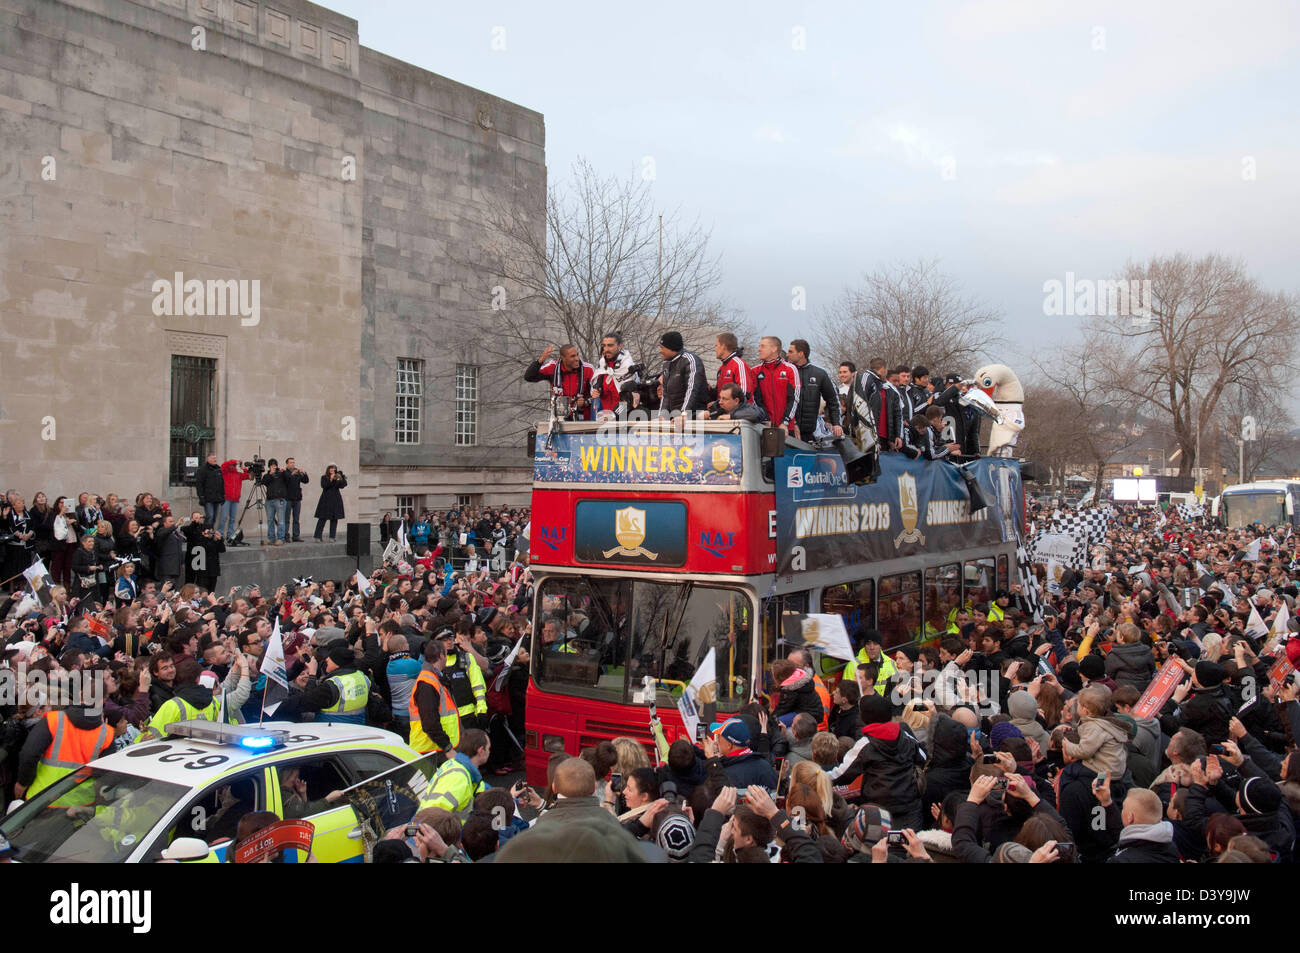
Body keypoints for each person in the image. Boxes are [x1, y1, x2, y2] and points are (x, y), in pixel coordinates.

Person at [14, 703, 115, 802]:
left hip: (43, 798)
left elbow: (30, 754)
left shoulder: (53, 720)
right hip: (80, 802)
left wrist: (23, 783)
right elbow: (106, 773)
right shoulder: (107, 733)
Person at [418, 729, 491, 814]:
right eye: (489, 748)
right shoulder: (459, 778)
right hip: (438, 824)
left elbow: (480, 786)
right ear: (481, 751)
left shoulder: (454, 764)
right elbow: (433, 816)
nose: (489, 752)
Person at [409, 640, 459, 763]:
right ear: (441, 655)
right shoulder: (428, 682)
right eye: (446, 654)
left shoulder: (434, 678)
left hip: (434, 748)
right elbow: (429, 722)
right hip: (431, 751)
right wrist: (447, 747)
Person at [786, 339, 842, 442]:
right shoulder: (784, 372)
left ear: (801, 354)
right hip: (787, 430)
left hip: (809, 433)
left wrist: (836, 423)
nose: (787, 354)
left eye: (790, 352)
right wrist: (790, 423)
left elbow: (833, 400)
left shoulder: (819, 374)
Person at [524, 344, 596, 420]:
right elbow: (529, 377)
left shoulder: (588, 369)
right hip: (560, 419)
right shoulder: (553, 367)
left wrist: (585, 401)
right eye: (572, 356)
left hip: (584, 419)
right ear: (563, 358)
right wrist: (540, 360)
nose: (577, 358)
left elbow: (598, 394)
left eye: (577, 355)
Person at [750, 335, 800, 434]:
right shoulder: (754, 371)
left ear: (774, 349)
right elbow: (755, 399)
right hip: (763, 427)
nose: (759, 349)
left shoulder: (790, 369)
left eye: (762, 346)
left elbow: (794, 398)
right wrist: (765, 419)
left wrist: (785, 422)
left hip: (786, 428)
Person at [656, 331, 708, 418]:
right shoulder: (666, 363)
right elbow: (666, 394)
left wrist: (684, 414)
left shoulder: (690, 360)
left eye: (662, 348)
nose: (660, 351)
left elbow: (692, 390)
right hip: (675, 416)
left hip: (694, 415)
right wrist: (661, 416)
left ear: (671, 348)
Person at [590, 331, 640, 418]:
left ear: (620, 346)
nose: (606, 349)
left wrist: (613, 416)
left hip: (623, 418)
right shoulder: (602, 366)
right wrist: (595, 392)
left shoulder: (627, 366)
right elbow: (594, 390)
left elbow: (629, 401)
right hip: (603, 417)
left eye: (610, 345)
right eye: (604, 345)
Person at [219, 459, 251, 543]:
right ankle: (220, 534)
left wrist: (243, 467)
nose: (233, 466)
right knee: (224, 517)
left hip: (235, 499)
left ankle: (230, 535)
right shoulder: (225, 473)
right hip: (226, 498)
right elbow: (223, 466)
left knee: (232, 519)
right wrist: (234, 461)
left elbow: (248, 476)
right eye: (232, 465)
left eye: (234, 465)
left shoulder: (238, 474)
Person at [713, 332, 751, 400]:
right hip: (724, 410)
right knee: (695, 410)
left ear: (723, 347)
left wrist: (718, 405)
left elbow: (744, 394)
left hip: (741, 410)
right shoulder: (721, 368)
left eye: (716, 345)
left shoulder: (738, 364)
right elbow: (718, 394)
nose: (715, 349)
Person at [314, 465, 347, 542]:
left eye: (334, 468)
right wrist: (331, 479)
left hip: (335, 499)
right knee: (322, 518)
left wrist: (341, 478)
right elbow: (324, 486)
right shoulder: (324, 477)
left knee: (334, 518)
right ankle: (317, 536)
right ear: (328, 469)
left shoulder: (337, 477)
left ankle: (332, 537)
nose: (332, 470)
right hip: (325, 499)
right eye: (331, 468)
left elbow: (343, 485)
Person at [259, 459, 287, 546]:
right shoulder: (267, 475)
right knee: (270, 520)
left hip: (280, 500)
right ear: (269, 467)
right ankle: (271, 538)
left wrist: (283, 471)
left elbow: (289, 478)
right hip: (269, 500)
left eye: (275, 465)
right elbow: (263, 482)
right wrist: (270, 474)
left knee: (281, 520)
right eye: (271, 465)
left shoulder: (281, 474)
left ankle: (280, 538)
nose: (273, 466)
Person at [282, 457, 310, 542]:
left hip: (297, 498)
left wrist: (304, 474)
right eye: (290, 463)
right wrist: (292, 474)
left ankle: (296, 536)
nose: (292, 464)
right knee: (286, 519)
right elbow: (286, 480)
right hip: (288, 499)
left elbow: (305, 481)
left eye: (293, 462)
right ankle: (286, 536)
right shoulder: (284, 472)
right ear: (287, 464)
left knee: (296, 519)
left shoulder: (297, 472)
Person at [196, 453, 225, 526]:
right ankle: (206, 533)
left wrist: (222, 496)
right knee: (210, 516)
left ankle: (210, 533)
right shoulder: (202, 470)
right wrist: (201, 497)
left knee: (214, 517)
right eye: (213, 458)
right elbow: (199, 484)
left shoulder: (218, 469)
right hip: (208, 498)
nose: (215, 460)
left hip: (217, 498)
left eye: (215, 458)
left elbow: (221, 483)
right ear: (208, 459)